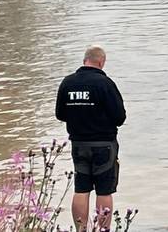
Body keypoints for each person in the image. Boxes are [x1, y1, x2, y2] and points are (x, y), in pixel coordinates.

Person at [56, 45, 127, 232]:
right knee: (104, 190)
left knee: (81, 188)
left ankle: (81, 230)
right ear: (101, 62)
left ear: (84, 60)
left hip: (78, 144)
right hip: (104, 145)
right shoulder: (105, 84)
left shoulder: (67, 83)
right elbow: (120, 117)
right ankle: (103, 230)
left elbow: (60, 114)